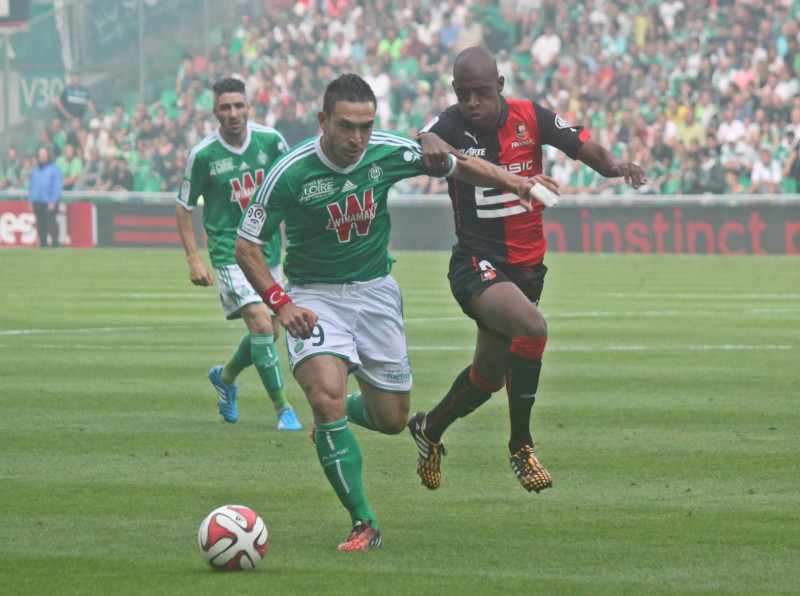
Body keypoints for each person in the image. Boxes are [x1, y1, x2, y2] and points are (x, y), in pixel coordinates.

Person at [234, 73, 543, 552]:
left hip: (376, 292)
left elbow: (458, 165)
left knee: (393, 419)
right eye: (346, 126)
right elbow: (246, 246)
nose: (357, 137)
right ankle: (363, 522)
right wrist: (283, 303)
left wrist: (514, 182)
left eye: (365, 125)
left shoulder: (385, 150)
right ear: (323, 120)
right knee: (325, 395)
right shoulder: (290, 172)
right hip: (314, 296)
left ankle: (333, 424)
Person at [411, 46, 646, 494]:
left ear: (500, 86)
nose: (473, 103)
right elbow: (426, 139)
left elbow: (583, 146)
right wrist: (429, 139)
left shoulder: (530, 117)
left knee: (487, 379)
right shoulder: (448, 124)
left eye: (481, 92)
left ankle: (429, 429)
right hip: (476, 264)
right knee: (532, 328)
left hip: (526, 270)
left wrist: (615, 166)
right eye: (464, 95)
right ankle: (521, 445)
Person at [176, 77, 302, 431]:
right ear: (214, 112)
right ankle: (283, 409)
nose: (233, 113)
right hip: (229, 253)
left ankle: (226, 377)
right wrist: (193, 258)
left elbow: (295, 185)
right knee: (262, 323)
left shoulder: (271, 141)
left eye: (238, 105)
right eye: (225, 107)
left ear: (249, 107)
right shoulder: (203, 155)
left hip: (269, 251)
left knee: (271, 333)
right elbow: (183, 206)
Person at [27, 147, 63, 248]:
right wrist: (31, 200)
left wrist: (53, 200)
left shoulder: (54, 169)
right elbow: (33, 186)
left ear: (48, 156)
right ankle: (43, 245)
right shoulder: (36, 170)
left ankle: (55, 246)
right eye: (40, 155)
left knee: (51, 226)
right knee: (41, 227)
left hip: (49, 202)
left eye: (44, 155)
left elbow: (57, 186)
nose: (42, 157)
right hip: (38, 202)